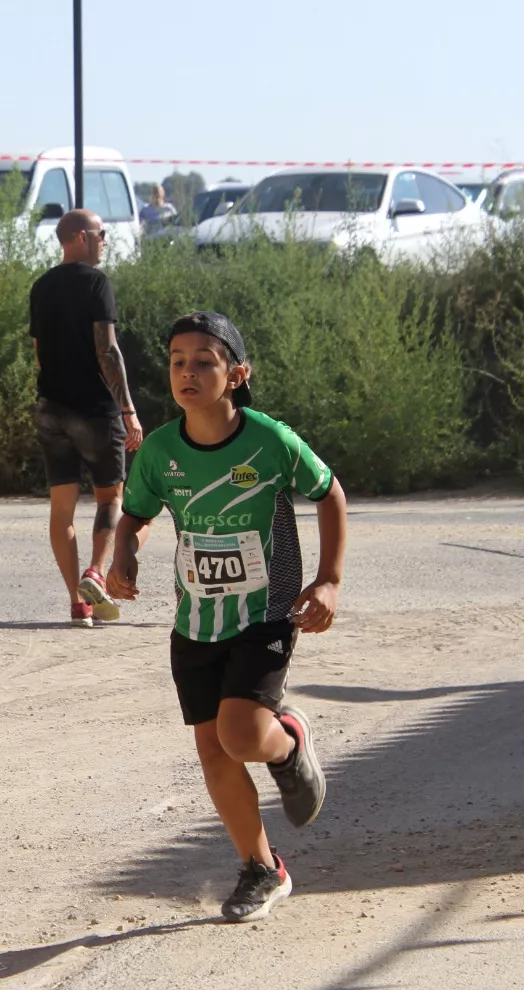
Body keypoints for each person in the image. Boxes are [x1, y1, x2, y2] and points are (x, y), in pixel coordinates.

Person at [108, 312, 346, 922]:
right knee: (214, 752)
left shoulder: (270, 440)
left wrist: (329, 581)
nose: (188, 371)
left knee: (241, 737)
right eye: (177, 361)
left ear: (236, 374)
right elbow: (133, 515)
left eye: (204, 361)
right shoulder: (160, 451)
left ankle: (288, 738)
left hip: (266, 611)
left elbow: (329, 493)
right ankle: (262, 869)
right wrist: (124, 557)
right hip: (196, 621)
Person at [29, 208, 144, 628]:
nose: (106, 239)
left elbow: (39, 352)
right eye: (101, 232)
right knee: (111, 499)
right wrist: (128, 409)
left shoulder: (40, 286)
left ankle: (79, 605)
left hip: (50, 409)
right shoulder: (97, 284)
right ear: (79, 236)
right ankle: (95, 573)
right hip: (94, 410)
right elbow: (107, 351)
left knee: (62, 510)